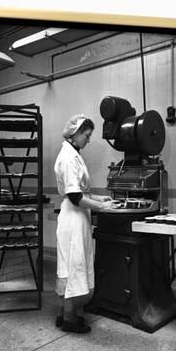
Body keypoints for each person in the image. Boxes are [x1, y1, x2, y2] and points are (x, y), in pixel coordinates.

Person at [54, 114, 115, 333]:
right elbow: (75, 197)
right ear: (75, 133)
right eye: (87, 136)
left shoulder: (73, 154)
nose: (88, 140)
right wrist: (103, 208)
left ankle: (63, 315)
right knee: (74, 266)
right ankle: (70, 320)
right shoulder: (69, 157)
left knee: (70, 265)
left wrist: (100, 199)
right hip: (74, 217)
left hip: (76, 216)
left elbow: (82, 191)